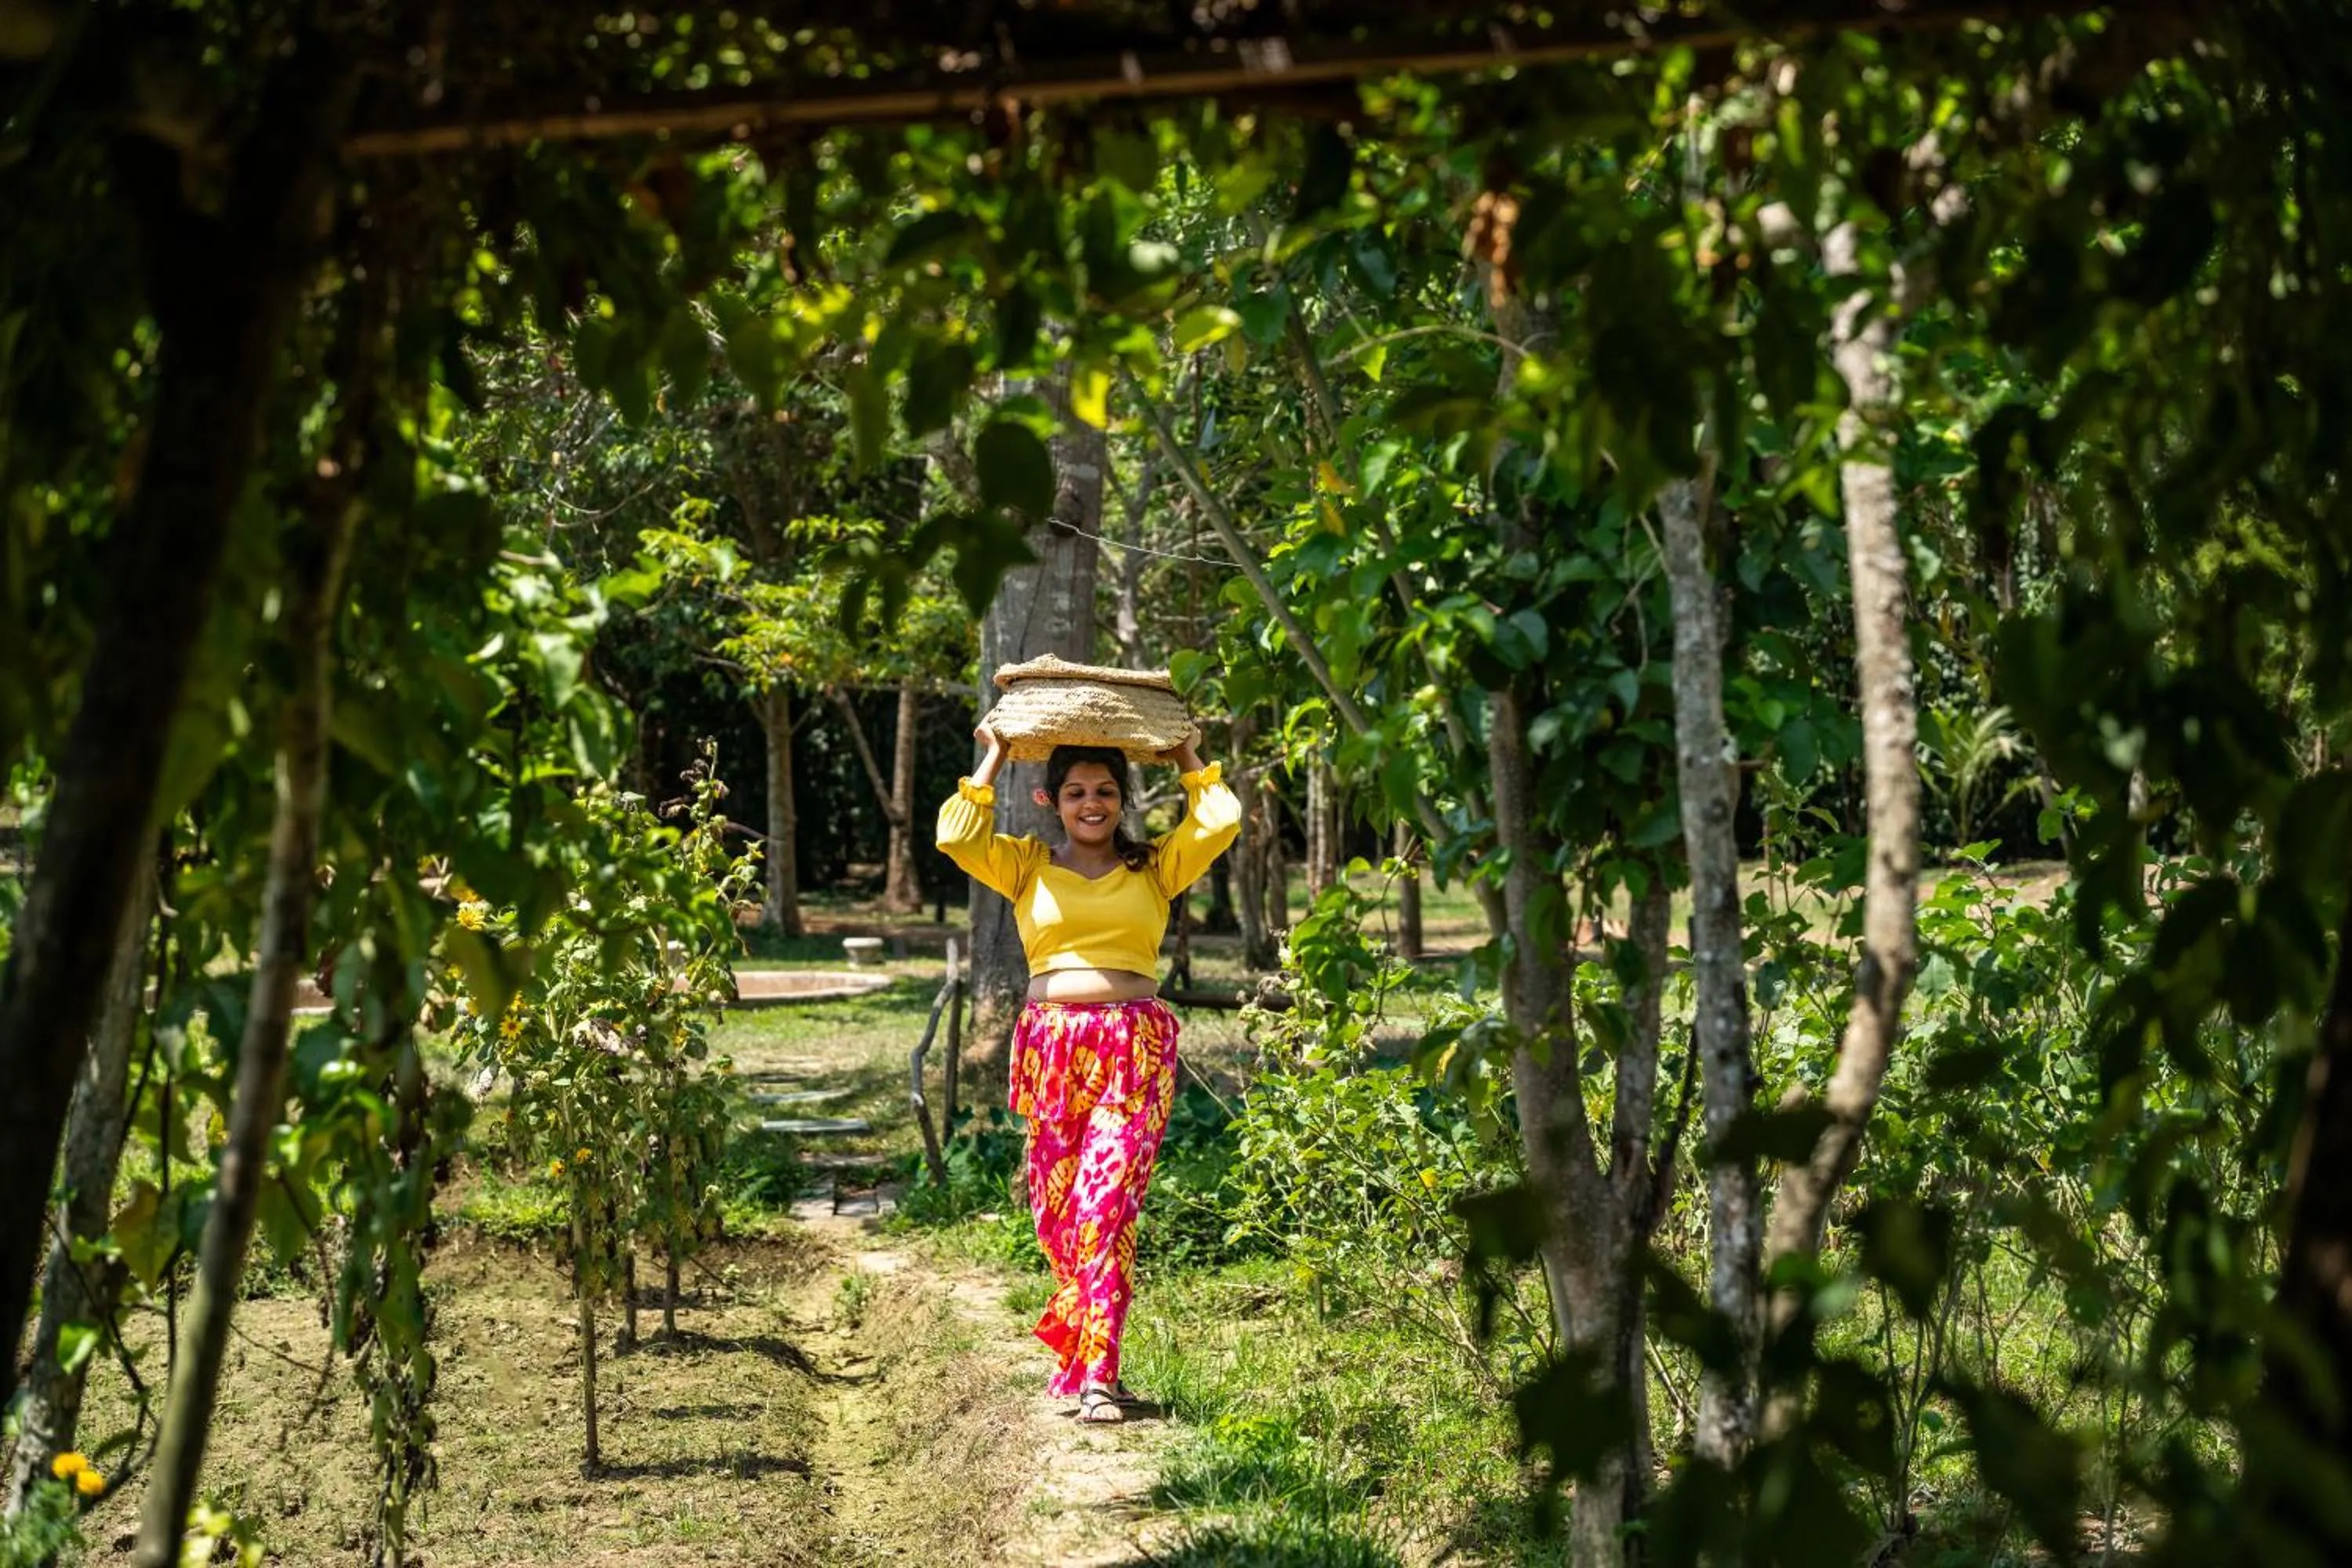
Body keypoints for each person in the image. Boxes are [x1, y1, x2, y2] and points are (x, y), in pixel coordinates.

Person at [936, 722, 1240, 1422]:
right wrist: (996, 752)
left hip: (1133, 1047)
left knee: (1105, 1209)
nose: (1092, 803)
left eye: (1105, 791)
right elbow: (956, 836)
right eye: (1076, 792)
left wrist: (1185, 753)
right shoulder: (1024, 864)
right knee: (1058, 1216)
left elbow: (1221, 819)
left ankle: (1099, 1375)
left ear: (1124, 799)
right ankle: (1078, 1358)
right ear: (1051, 799)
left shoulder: (1156, 865)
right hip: (1050, 1050)